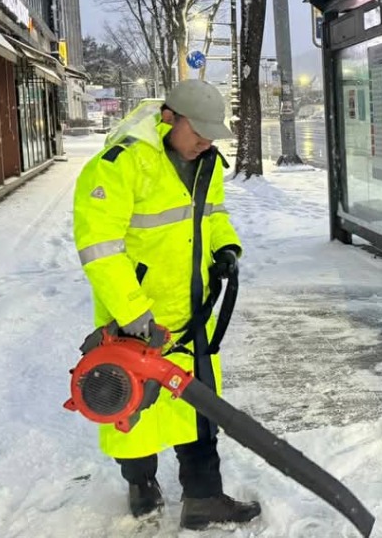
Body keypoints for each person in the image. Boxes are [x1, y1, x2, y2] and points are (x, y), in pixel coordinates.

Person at [72, 79, 261, 530]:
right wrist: (136, 314)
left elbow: (213, 215)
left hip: (189, 310)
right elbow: (99, 245)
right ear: (170, 118)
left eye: (212, 134)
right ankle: (142, 486)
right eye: (199, 132)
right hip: (132, 317)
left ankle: (204, 498)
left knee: (199, 409)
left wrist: (226, 248)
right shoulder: (121, 164)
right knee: (132, 407)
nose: (206, 142)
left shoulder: (206, 161)